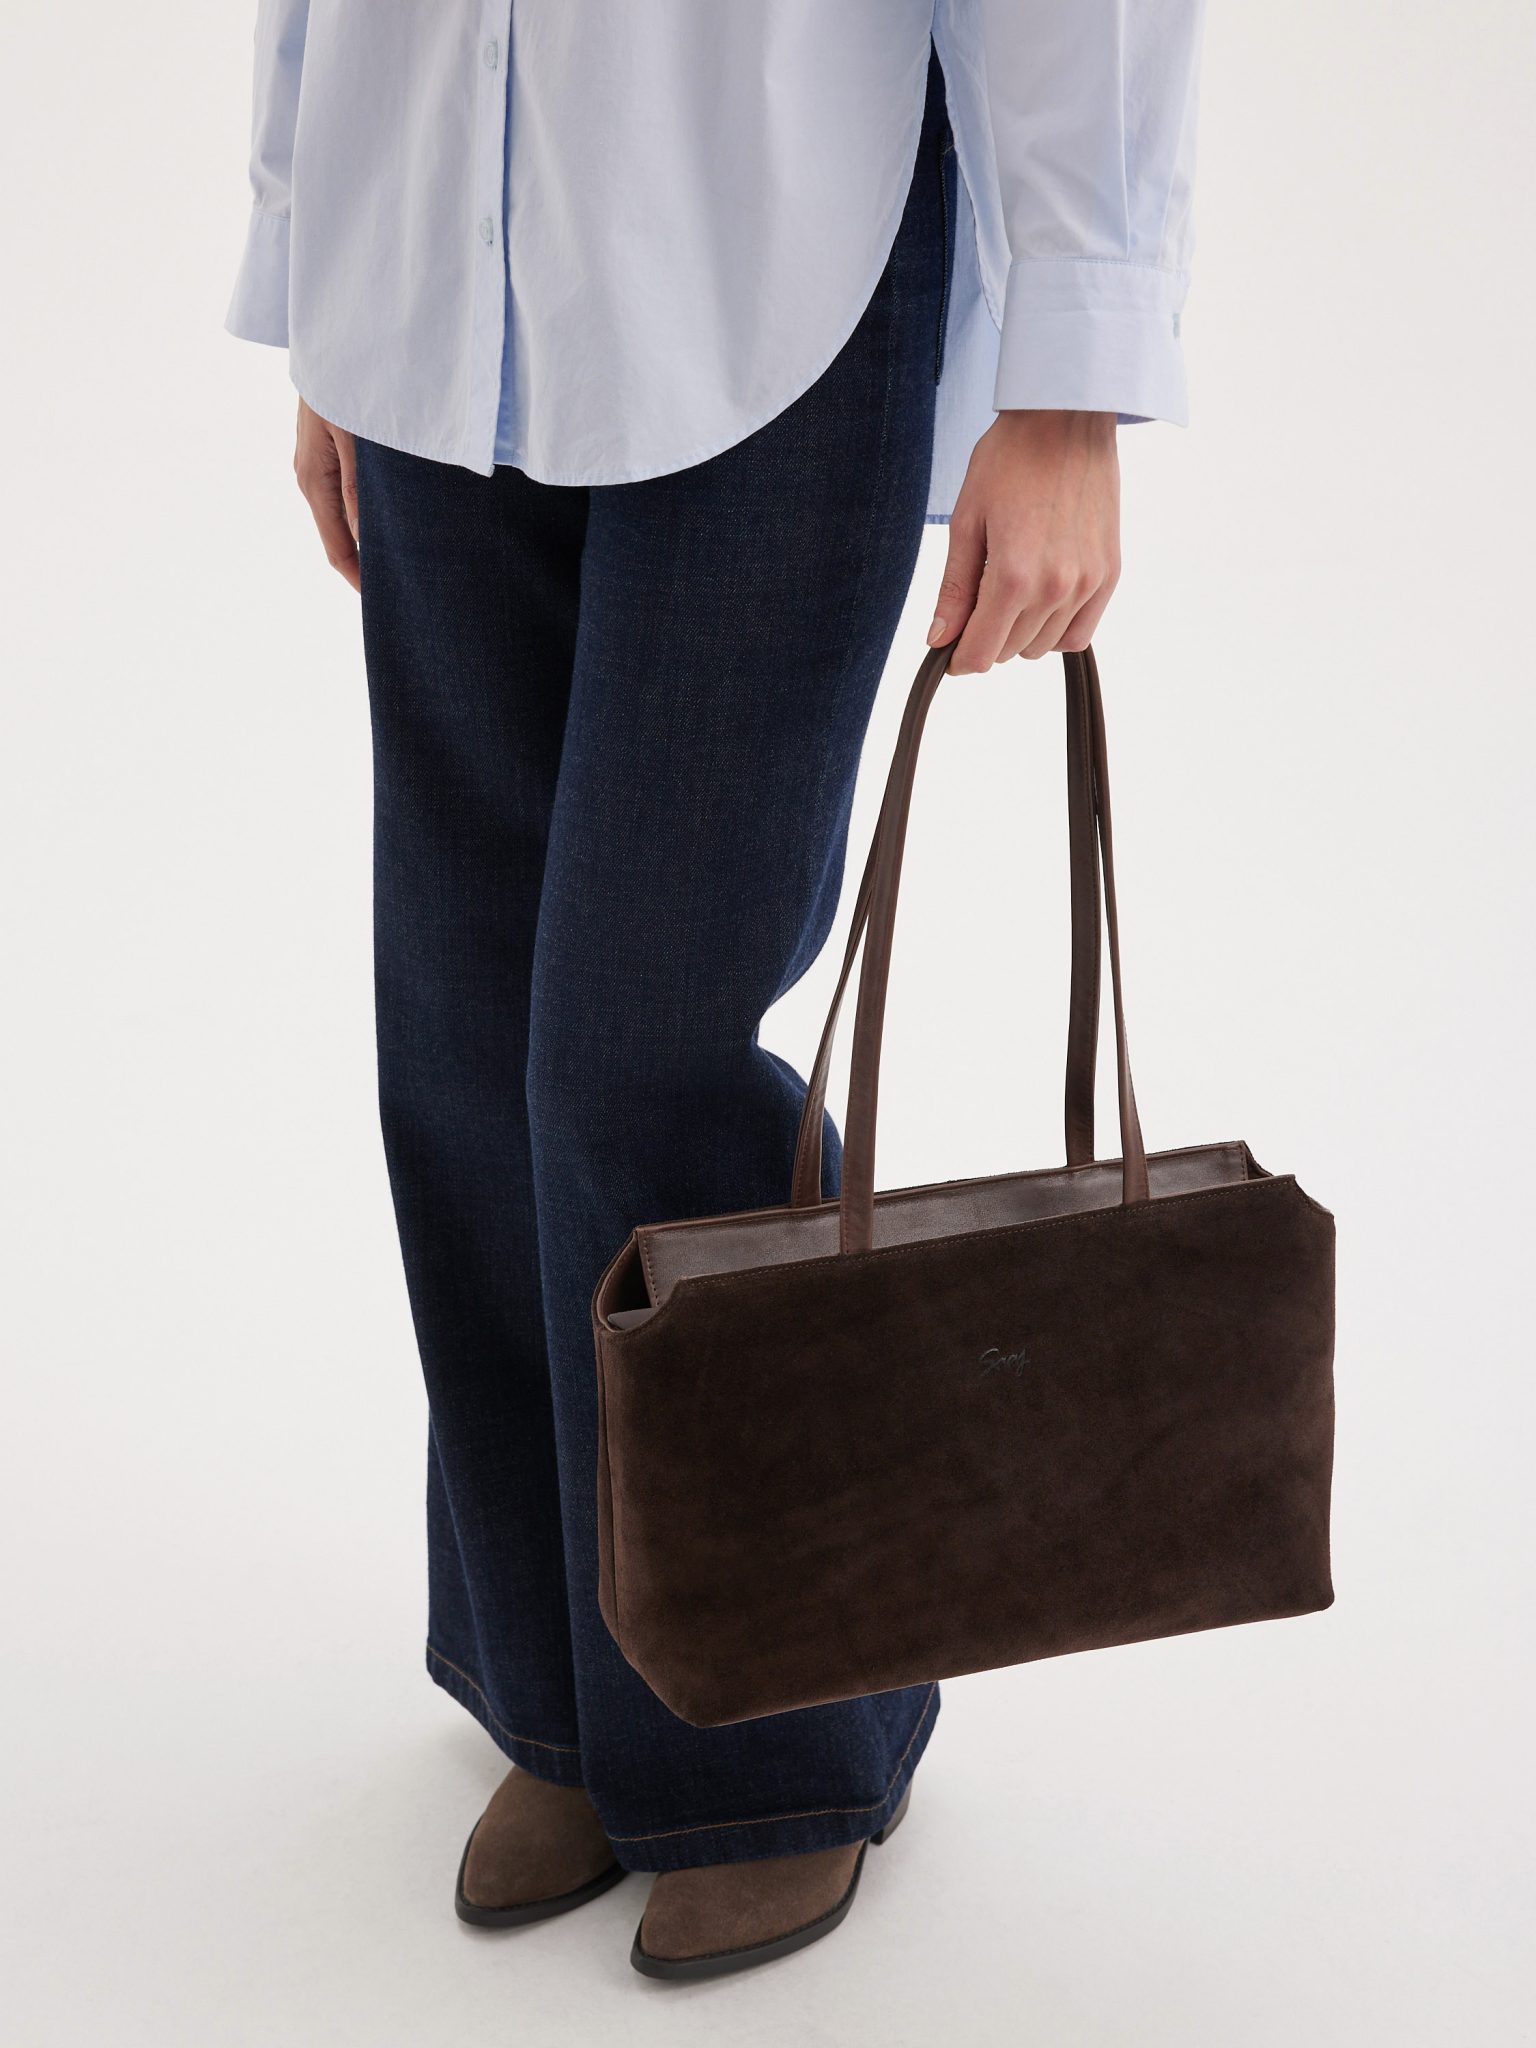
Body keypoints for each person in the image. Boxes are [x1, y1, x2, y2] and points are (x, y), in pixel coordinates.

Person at [226, 1, 1206, 1982]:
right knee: (464, 1039)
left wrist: (1072, 376)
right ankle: (570, 1697)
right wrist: (319, 250)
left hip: (775, 254)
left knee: (638, 1053)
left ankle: (776, 1728)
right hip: (427, 254)